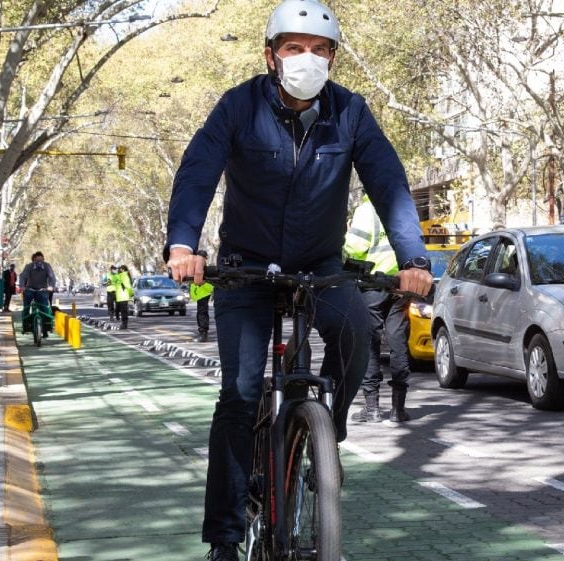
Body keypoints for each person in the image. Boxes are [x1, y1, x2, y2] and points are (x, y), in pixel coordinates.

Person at [164, 2, 432, 558]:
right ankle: (225, 538)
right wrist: (184, 244)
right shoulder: (238, 106)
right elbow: (198, 171)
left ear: (333, 58)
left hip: (321, 266)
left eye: (319, 49)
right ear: (270, 55)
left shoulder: (351, 112)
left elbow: (388, 181)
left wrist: (415, 260)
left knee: (357, 334)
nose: (307, 58)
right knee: (238, 395)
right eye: (294, 47)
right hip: (245, 268)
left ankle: (325, 433)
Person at [344, 196, 413, 423]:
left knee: (370, 343)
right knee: (398, 342)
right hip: (400, 285)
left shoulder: (366, 209)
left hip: (372, 285)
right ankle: (398, 409)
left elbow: (355, 247)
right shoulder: (404, 205)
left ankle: (372, 408)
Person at [18, 252, 56, 337]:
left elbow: (52, 277)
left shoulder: (47, 266)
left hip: (42, 289)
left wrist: (51, 286)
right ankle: (25, 325)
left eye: (41, 260)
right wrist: (22, 286)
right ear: (34, 260)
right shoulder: (29, 266)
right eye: (37, 260)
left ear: (43, 259)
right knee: (26, 306)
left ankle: (46, 328)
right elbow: (23, 276)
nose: (39, 262)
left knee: (44, 307)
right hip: (30, 289)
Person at [190, 250, 214, 342]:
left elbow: (206, 281)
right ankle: (203, 332)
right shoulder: (198, 267)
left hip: (203, 292)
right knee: (201, 312)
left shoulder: (203, 268)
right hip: (201, 292)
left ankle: (203, 334)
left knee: (202, 312)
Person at [113, 265, 133, 329]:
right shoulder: (119, 276)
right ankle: (123, 323)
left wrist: (131, 293)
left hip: (123, 296)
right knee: (121, 311)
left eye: (119, 269)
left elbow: (128, 286)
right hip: (119, 297)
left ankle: (124, 324)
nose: (118, 270)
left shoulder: (124, 276)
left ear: (123, 270)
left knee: (124, 311)